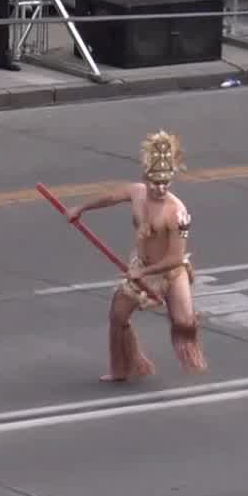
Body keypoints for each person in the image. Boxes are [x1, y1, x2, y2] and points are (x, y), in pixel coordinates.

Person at [64, 131, 208, 382]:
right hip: (141, 265)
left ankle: (189, 322)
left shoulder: (177, 213)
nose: (161, 188)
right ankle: (125, 366)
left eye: (166, 183)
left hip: (171, 272)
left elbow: (175, 258)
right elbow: (110, 197)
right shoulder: (136, 192)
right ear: (145, 178)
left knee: (184, 324)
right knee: (117, 318)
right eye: (155, 182)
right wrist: (81, 208)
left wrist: (143, 274)